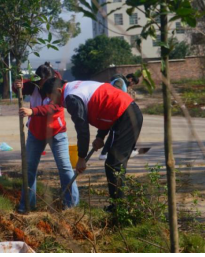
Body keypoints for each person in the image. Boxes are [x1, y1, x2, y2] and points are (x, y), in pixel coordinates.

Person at [43, 78, 143, 210]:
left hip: (126, 116)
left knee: (114, 165)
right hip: (122, 114)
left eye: (52, 98)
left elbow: (82, 129)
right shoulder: (74, 87)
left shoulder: (71, 98)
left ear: (58, 91)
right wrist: (100, 137)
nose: (52, 102)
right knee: (114, 164)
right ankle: (119, 206)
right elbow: (105, 106)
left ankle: (119, 209)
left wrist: (81, 158)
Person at [14, 62, 79, 213]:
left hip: (56, 132)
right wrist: (17, 85)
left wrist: (33, 111)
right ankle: (27, 206)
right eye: (41, 84)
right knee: (29, 168)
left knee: (65, 168)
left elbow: (54, 107)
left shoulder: (58, 87)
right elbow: (21, 87)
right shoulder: (34, 84)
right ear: (37, 80)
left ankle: (71, 207)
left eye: (47, 83)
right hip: (35, 133)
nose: (44, 87)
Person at [99, 73, 140, 160]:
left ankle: (109, 152)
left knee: (118, 132)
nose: (132, 86)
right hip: (115, 110)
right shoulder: (120, 82)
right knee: (114, 133)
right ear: (131, 79)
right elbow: (115, 94)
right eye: (133, 84)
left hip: (117, 110)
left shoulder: (122, 83)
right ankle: (105, 153)